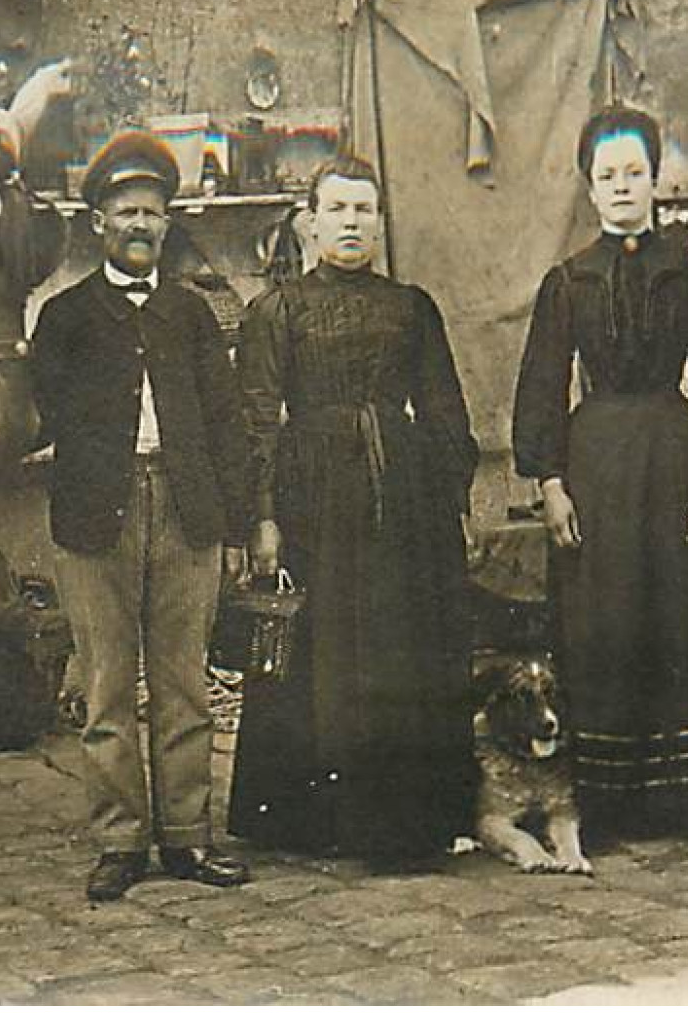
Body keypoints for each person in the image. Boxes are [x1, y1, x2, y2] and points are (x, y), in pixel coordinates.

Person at [511, 106, 688, 828]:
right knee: (604, 615)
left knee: (677, 611)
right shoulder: (568, 281)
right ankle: (610, 790)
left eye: (634, 172)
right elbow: (542, 384)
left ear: (654, 178)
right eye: (606, 175)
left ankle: (683, 786)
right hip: (596, 464)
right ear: (589, 187)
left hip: (676, 454)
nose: (621, 186)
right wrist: (550, 483)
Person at [228, 156, 480, 863]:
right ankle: (320, 816)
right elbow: (257, 419)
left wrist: (446, 496)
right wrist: (265, 515)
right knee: (323, 652)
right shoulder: (276, 311)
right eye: (337, 209)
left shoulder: (410, 306)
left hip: (401, 503)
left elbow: (442, 407)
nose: (352, 222)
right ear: (308, 222)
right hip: (315, 504)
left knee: (403, 650)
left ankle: (408, 811)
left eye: (364, 209)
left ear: (379, 221)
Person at [31, 131, 253, 902]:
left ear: (167, 224)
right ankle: (121, 840)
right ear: (97, 222)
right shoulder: (63, 318)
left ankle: (188, 838)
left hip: (187, 510)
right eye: (125, 210)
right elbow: (39, 415)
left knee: (185, 680)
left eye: (152, 212)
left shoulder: (191, 315)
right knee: (107, 686)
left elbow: (227, 425)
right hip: (96, 515)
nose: (139, 224)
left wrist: (237, 522)